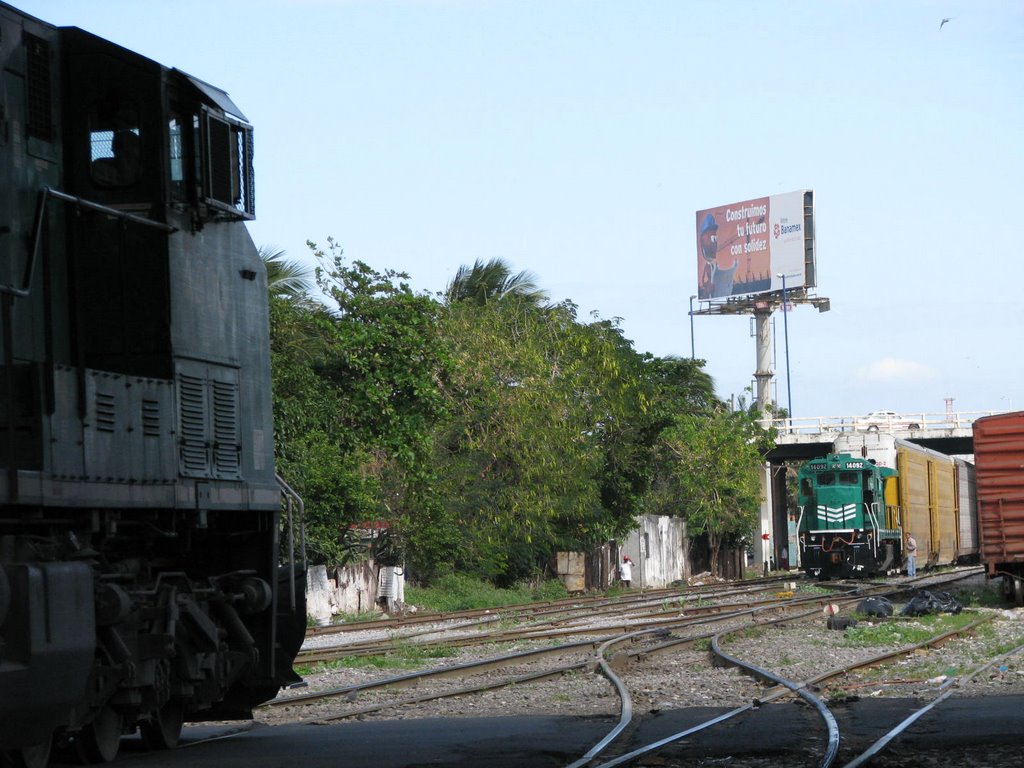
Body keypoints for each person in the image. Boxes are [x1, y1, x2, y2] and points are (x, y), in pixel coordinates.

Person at [697, 213, 737, 299]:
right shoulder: (704, 267)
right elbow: (704, 287)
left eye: (715, 238)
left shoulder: (713, 265)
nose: (715, 242)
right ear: (702, 240)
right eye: (711, 238)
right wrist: (708, 289)